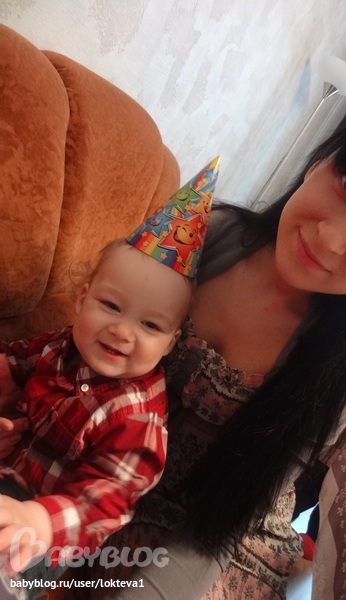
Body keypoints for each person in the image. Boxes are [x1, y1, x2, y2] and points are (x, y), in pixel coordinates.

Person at [4, 101, 346, 600]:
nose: (331, 238)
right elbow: (79, 343)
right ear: (319, 162)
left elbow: (219, 528)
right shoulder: (200, 238)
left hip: (200, 534)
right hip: (83, 472)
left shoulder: (340, 376)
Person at [0, 158, 219, 585]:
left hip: (50, 528)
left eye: (150, 325)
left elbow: (107, 501)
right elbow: (16, 359)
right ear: (83, 298)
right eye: (111, 306)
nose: (122, 330)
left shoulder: (139, 419)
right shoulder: (61, 344)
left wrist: (39, 520)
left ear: (170, 343)